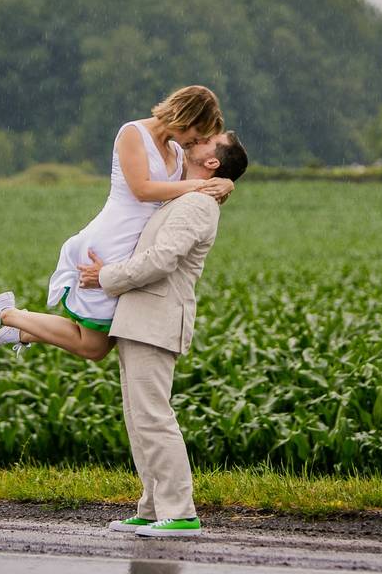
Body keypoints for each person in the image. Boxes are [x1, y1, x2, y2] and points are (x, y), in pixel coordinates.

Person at [0, 86, 234, 360]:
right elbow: (142, 189)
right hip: (112, 241)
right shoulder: (133, 134)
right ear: (187, 117)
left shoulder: (174, 148)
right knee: (93, 346)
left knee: (97, 347)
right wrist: (198, 185)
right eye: (199, 133)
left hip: (133, 247)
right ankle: (8, 315)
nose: (196, 142)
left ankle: (20, 327)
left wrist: (225, 181)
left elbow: (201, 175)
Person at [78, 132, 249, 538]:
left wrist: (105, 278)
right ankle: (153, 507)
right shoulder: (185, 192)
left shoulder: (197, 204)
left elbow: (162, 259)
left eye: (210, 140)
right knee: (139, 419)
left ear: (213, 163)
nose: (199, 139)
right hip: (139, 317)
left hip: (156, 318)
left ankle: (181, 512)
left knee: (154, 417)